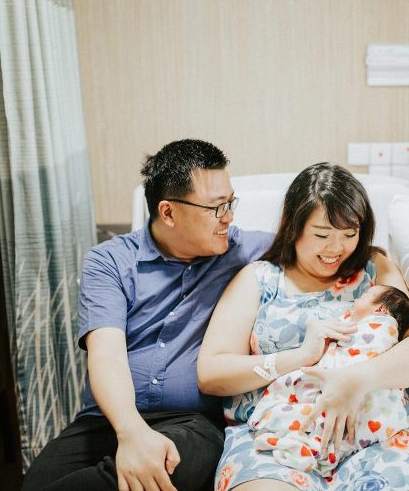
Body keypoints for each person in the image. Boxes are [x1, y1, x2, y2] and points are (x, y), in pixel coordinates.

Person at [21, 140, 272, 491]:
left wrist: (378, 263)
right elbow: (105, 354)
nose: (229, 217)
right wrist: (131, 433)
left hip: (195, 425)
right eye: (217, 208)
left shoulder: (240, 247)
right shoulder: (108, 262)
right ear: (168, 212)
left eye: (231, 203)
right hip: (107, 421)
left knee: (148, 474)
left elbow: (322, 246)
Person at [198, 163, 409, 491]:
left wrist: (357, 379)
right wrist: (297, 357)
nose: (336, 249)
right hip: (278, 437)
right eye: (322, 235)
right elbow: (211, 374)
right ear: (294, 228)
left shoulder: (374, 271)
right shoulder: (259, 279)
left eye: (349, 234)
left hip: (376, 430)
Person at [247, 285, 409, 477]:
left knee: (330, 411)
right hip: (365, 401)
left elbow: (365, 350)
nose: (358, 299)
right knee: (333, 418)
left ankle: (309, 441)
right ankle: (318, 447)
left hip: (369, 387)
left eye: (365, 295)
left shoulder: (380, 327)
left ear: (380, 310)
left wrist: (351, 375)